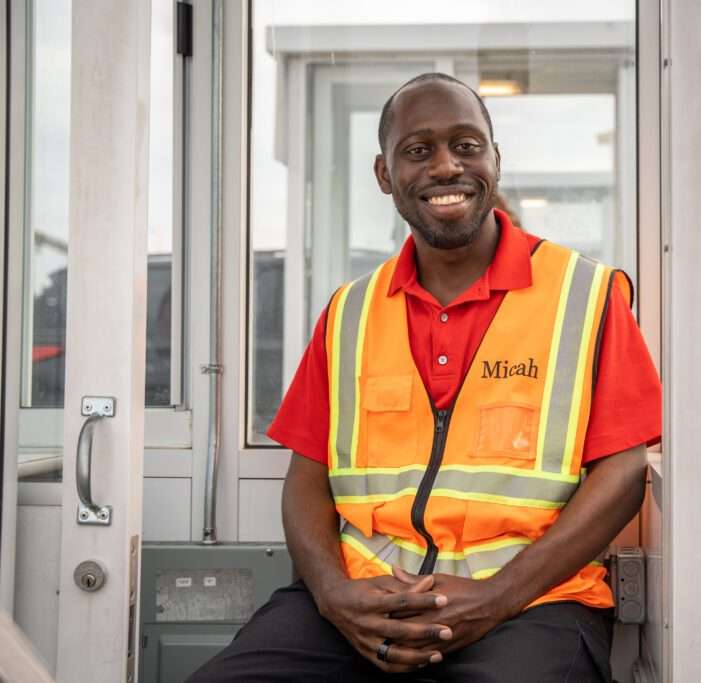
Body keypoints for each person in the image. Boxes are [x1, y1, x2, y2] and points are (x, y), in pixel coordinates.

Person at [189, 73, 661, 683]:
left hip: (534, 604)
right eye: (418, 150)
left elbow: (623, 471)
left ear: (495, 160)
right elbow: (306, 476)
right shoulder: (348, 313)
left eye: (467, 145)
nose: (446, 167)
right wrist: (332, 594)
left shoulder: (588, 295)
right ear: (385, 175)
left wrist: (498, 597)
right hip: (362, 601)